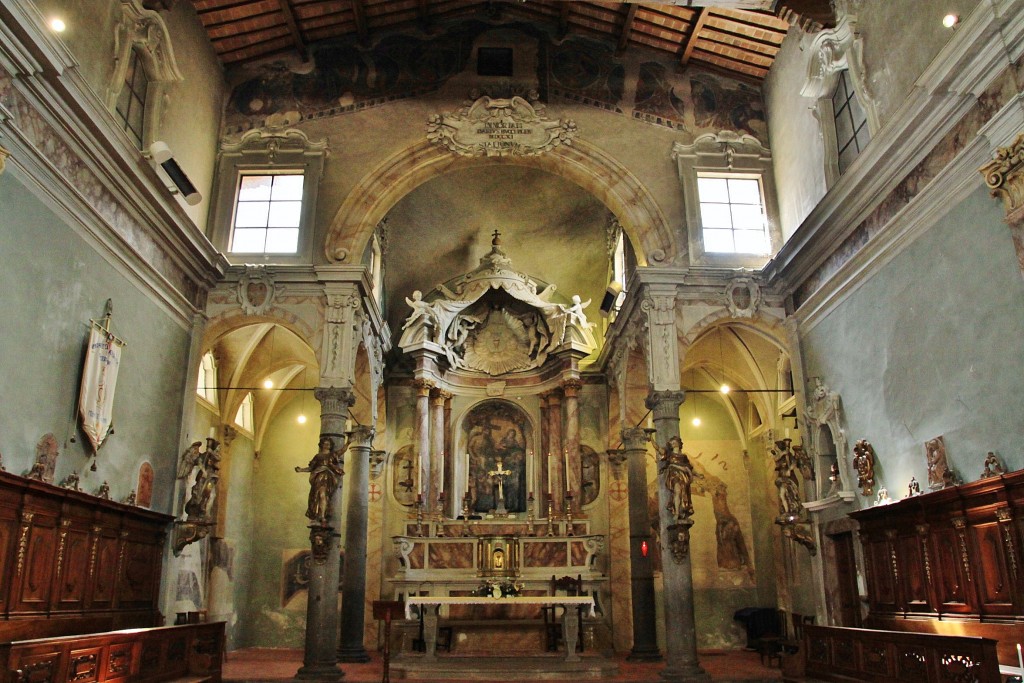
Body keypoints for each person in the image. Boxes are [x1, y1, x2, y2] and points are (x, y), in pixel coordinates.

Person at [296, 436, 346, 524]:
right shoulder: (318, 456)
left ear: (331, 445)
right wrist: (301, 470)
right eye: (325, 444)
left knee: (323, 495)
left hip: (327, 477)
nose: (327, 445)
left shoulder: (332, 455)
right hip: (317, 477)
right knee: (315, 496)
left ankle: (322, 516)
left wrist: (348, 442)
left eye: (328, 444)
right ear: (321, 445)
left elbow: (342, 451)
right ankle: (317, 515)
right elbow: (311, 467)